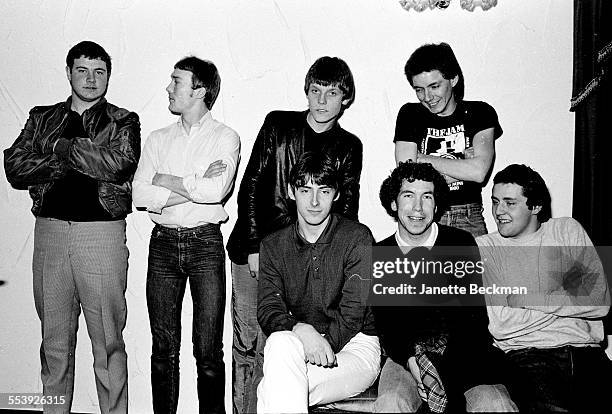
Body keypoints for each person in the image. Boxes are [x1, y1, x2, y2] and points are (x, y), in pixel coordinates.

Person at [3, 40, 140, 414]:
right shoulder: (41, 117)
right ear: (68, 73)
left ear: (108, 76)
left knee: (109, 344)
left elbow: (117, 166)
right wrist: (75, 159)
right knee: (54, 345)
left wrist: (58, 149)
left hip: (102, 236)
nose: (91, 79)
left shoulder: (123, 120)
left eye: (99, 71)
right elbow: (14, 166)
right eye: (82, 70)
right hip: (49, 234)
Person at [226, 56, 362, 412]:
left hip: (310, 255)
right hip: (257, 250)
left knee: (296, 342)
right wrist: (255, 244)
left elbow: (347, 207)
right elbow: (251, 184)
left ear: (344, 99)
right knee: (250, 341)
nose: (321, 101)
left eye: (331, 93)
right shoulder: (278, 124)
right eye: (315, 91)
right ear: (306, 92)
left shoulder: (349, 145)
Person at [132, 56, 240, 414]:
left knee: (208, 351)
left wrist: (167, 182)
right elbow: (139, 195)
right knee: (163, 349)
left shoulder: (226, 137)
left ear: (200, 90)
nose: (168, 87)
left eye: (176, 81)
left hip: (205, 244)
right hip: (162, 244)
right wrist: (195, 184)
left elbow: (217, 191)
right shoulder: (158, 138)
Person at [372, 162, 516, 413]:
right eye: (408, 196)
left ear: (436, 205)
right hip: (404, 357)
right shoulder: (381, 253)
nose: (417, 208)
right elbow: (389, 326)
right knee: (390, 404)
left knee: (496, 405)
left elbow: (474, 321)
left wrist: (440, 373)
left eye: (426, 197)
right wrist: (415, 366)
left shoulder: (459, 243)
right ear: (394, 203)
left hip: (464, 355)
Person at [477, 164, 611, 413]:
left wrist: (526, 297)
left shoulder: (566, 230)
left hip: (586, 352)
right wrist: (569, 301)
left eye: (510, 203)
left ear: (536, 207)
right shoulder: (486, 247)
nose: (498, 211)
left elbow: (600, 301)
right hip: (529, 357)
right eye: (495, 201)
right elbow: (502, 323)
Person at [256, 151, 379, 413]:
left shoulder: (357, 238)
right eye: (304, 190)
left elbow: (353, 315)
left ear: (335, 194)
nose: (314, 201)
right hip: (302, 341)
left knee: (271, 387)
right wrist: (301, 331)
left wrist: (318, 347)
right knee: (279, 343)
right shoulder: (273, 245)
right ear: (291, 192)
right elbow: (268, 309)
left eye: (323, 191)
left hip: (356, 346)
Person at [394, 42, 502, 237]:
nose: (427, 97)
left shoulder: (480, 112)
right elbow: (407, 175)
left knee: (472, 268)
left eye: (434, 86)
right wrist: (462, 163)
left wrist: (422, 158)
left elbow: (478, 173)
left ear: (453, 79)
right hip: (423, 214)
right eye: (419, 89)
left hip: (468, 216)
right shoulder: (410, 114)